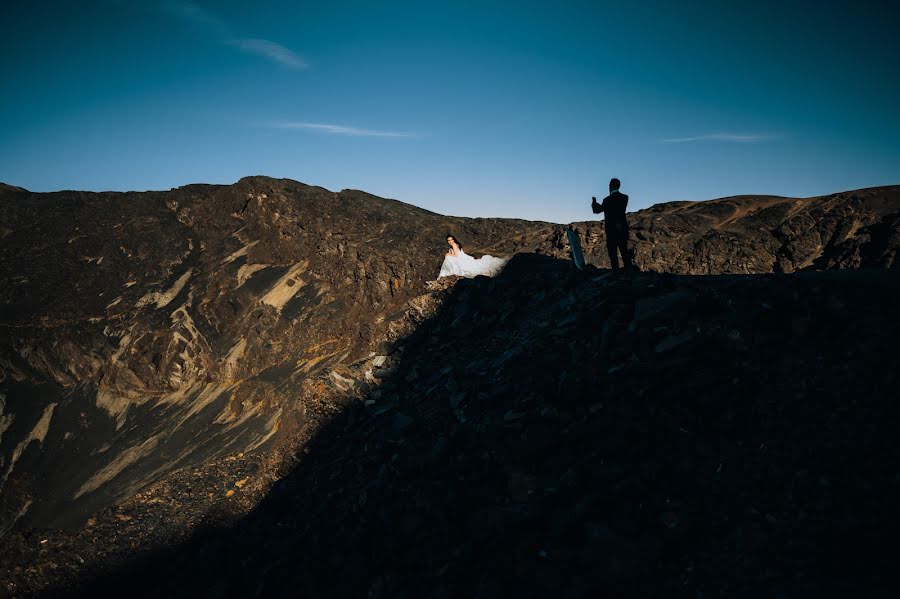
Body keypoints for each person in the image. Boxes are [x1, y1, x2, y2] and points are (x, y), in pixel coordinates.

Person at [592, 178, 634, 271]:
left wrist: (594, 203)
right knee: (624, 251)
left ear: (610, 186)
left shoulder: (607, 200)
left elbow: (597, 210)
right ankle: (629, 272)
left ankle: (616, 273)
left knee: (613, 254)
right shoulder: (625, 197)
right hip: (622, 229)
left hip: (611, 231)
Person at [438, 234, 508, 278]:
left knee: (448, 257)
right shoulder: (455, 245)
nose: (450, 241)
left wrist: (448, 254)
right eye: (448, 240)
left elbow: (456, 255)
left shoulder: (454, 245)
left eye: (451, 239)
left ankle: (446, 272)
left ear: (453, 239)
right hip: (462, 258)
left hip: (461, 259)